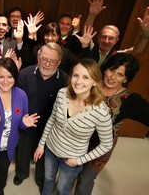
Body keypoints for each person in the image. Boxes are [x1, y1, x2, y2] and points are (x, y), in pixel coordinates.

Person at [34, 58, 113, 195]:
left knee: (62, 188)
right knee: (48, 178)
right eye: (75, 75)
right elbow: (52, 119)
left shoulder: (101, 111)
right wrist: (41, 145)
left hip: (71, 159)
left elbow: (106, 144)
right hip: (51, 149)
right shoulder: (62, 94)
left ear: (95, 81)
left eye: (85, 77)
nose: (78, 81)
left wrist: (79, 160)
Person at [74, 53, 149, 195]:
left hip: (101, 147)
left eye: (120, 74)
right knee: (71, 171)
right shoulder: (90, 84)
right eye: (111, 70)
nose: (112, 77)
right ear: (105, 69)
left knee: (85, 180)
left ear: (126, 79)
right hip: (78, 141)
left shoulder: (130, 100)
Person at [0, 57, 40, 195]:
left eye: (10, 76)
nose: (5, 81)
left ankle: (0, 188)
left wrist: (25, 123)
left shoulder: (21, 95)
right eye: (1, 76)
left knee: (3, 169)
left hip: (9, 145)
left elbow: (21, 125)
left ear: (15, 76)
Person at [13, 42, 69, 193]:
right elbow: (15, 99)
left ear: (59, 62)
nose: (47, 64)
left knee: (44, 159)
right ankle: (21, 173)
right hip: (25, 126)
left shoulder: (66, 80)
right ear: (38, 57)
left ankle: (40, 179)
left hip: (50, 130)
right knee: (22, 152)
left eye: (52, 61)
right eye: (44, 59)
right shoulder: (23, 74)